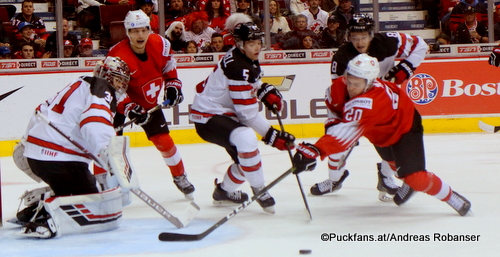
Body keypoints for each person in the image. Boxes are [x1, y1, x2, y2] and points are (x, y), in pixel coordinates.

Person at [292, 54, 472, 217]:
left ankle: (450, 196)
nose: (352, 87)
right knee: (397, 168)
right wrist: (319, 146)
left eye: (357, 84)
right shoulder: (337, 89)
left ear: (369, 83)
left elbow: (345, 132)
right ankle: (404, 179)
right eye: (350, 80)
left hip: (405, 126)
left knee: (416, 178)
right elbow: (335, 118)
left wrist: (315, 150)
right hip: (378, 132)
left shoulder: (372, 100)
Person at [189, 13, 295, 213]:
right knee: (247, 137)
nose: (257, 48)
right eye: (251, 43)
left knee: (247, 160)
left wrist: (264, 90)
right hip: (208, 118)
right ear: (239, 44)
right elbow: (247, 115)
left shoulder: (245, 58)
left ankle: (223, 192)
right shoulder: (238, 68)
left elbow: (252, 83)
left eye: (258, 42)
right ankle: (260, 190)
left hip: (223, 115)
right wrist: (271, 135)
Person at [15, 56, 131, 238]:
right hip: (60, 160)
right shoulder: (102, 88)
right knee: (95, 206)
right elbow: (94, 123)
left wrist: (27, 146)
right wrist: (111, 156)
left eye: (123, 82)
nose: (119, 86)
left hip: (36, 155)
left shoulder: (80, 83)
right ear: (105, 75)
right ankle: (47, 219)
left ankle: (40, 203)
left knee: (84, 191)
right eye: (117, 79)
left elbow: (40, 110)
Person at [324, 14, 428, 202]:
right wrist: (345, 122)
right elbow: (339, 91)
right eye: (354, 37)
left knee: (392, 142)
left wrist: (407, 67)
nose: (359, 42)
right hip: (359, 107)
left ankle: (386, 178)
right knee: (335, 144)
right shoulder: (341, 57)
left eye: (363, 36)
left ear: (372, 34)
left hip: (387, 104)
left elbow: (420, 44)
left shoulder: (389, 42)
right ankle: (334, 180)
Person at [107, 10, 195, 198]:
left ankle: (180, 176)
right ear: (127, 33)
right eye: (135, 31)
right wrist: (129, 107)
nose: (140, 35)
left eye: (144, 30)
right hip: (119, 106)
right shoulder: (116, 55)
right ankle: (109, 184)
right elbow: (114, 89)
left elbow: (169, 66)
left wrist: (173, 85)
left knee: (164, 142)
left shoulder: (161, 44)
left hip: (147, 103)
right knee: (111, 146)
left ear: (149, 29)